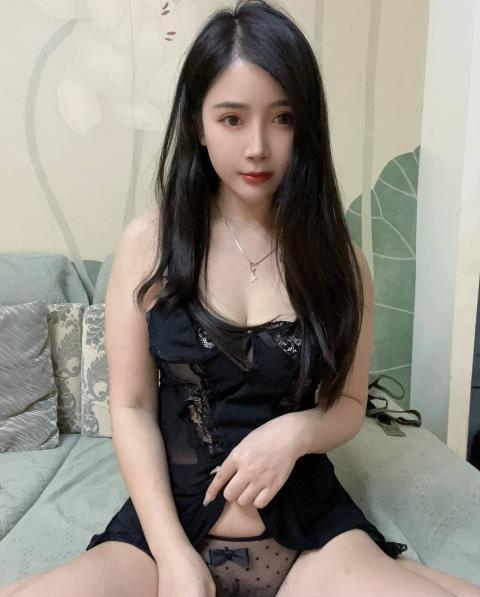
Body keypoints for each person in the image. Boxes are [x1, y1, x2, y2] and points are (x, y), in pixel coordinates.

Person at [2, 1, 480, 596]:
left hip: (309, 532)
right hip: (168, 528)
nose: (257, 146)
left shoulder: (342, 261)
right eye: (232, 118)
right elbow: (131, 407)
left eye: (282, 118)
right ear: (198, 125)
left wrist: (295, 433)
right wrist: (173, 556)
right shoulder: (148, 244)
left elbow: (351, 402)